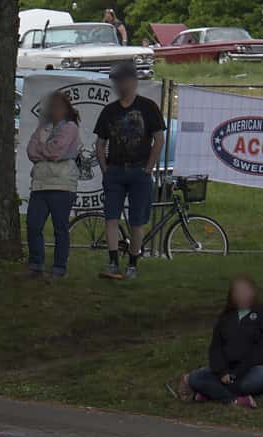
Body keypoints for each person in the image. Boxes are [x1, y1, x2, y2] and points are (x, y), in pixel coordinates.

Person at [95, 64, 164, 281]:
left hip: (139, 170)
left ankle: (133, 262)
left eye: (124, 80)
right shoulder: (109, 111)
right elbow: (100, 143)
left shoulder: (148, 107)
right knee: (111, 217)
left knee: (137, 221)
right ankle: (113, 262)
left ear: (134, 82)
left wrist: (148, 168)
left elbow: (158, 139)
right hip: (115, 170)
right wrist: (105, 169)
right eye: (117, 81)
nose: (121, 85)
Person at [173, 275, 263, 408]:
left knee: (252, 382)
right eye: (238, 292)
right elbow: (216, 348)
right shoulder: (226, 317)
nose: (242, 296)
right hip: (228, 370)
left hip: (256, 367)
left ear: (253, 292)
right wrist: (222, 372)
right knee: (195, 378)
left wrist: (236, 373)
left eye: (245, 291)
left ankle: (211, 392)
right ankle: (234, 400)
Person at [25, 90, 82, 281]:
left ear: (66, 109)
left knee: (60, 228)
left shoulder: (70, 127)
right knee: (33, 225)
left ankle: (59, 268)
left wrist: (43, 150)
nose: (54, 109)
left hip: (62, 184)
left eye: (57, 106)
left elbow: (55, 152)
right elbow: (30, 151)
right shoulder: (43, 127)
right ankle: (36, 266)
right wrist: (48, 151)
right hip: (40, 184)